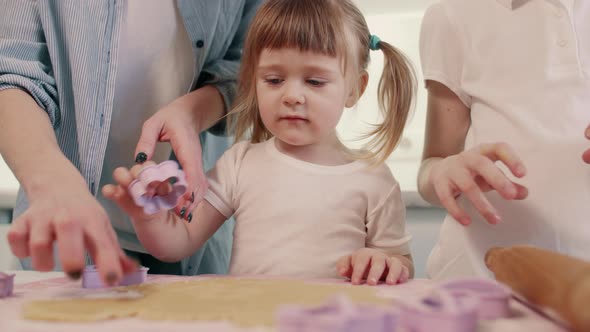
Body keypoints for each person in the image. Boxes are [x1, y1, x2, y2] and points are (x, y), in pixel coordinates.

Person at [103, 0, 416, 285]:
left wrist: (384, 262)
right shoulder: (240, 164)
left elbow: (402, 264)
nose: (291, 96)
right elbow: (179, 241)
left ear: (354, 90)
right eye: (274, 80)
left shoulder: (375, 180)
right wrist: (149, 218)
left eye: (315, 81)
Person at [0, 0, 262, 285]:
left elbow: (251, 69)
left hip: (191, 246)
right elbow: (11, 72)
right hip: (60, 233)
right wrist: (52, 182)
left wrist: (192, 113)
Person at [417, 0, 590, 279]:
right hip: (477, 281)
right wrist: (443, 171)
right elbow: (431, 169)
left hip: (580, 295)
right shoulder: (452, 14)